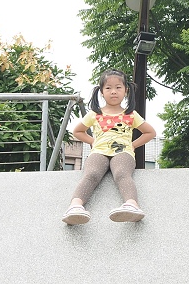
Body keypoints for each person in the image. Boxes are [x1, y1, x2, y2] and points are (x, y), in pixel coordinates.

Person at [62, 68, 156, 225]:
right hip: (99, 151)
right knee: (91, 174)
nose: (113, 91)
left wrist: (132, 145)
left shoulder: (130, 114)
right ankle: (75, 206)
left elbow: (150, 132)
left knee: (121, 173)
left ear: (126, 90)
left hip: (123, 152)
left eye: (118, 87)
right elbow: (78, 131)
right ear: (101, 92)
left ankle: (132, 204)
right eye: (108, 88)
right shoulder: (95, 114)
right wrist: (92, 141)